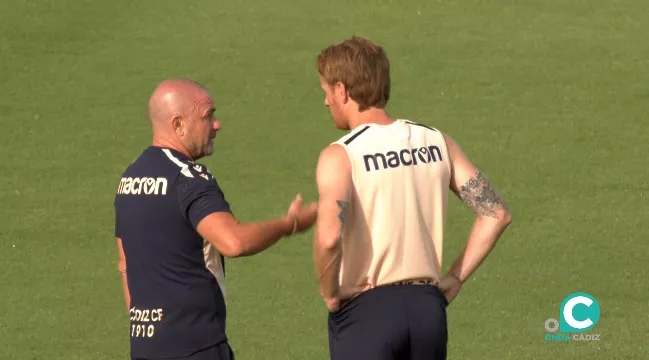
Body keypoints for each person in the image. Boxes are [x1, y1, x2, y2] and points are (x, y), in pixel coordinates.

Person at [311, 36, 513, 360]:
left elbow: (329, 237)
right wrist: (455, 277)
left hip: (366, 312)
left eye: (326, 92)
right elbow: (496, 212)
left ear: (342, 90)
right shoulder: (436, 141)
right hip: (428, 312)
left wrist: (330, 293)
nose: (326, 102)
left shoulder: (341, 155)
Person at [114, 78, 317, 360]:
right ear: (178, 125)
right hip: (198, 346)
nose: (216, 124)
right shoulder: (188, 179)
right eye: (207, 116)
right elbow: (233, 242)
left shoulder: (130, 179)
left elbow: (125, 265)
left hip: (146, 348)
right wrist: (289, 224)